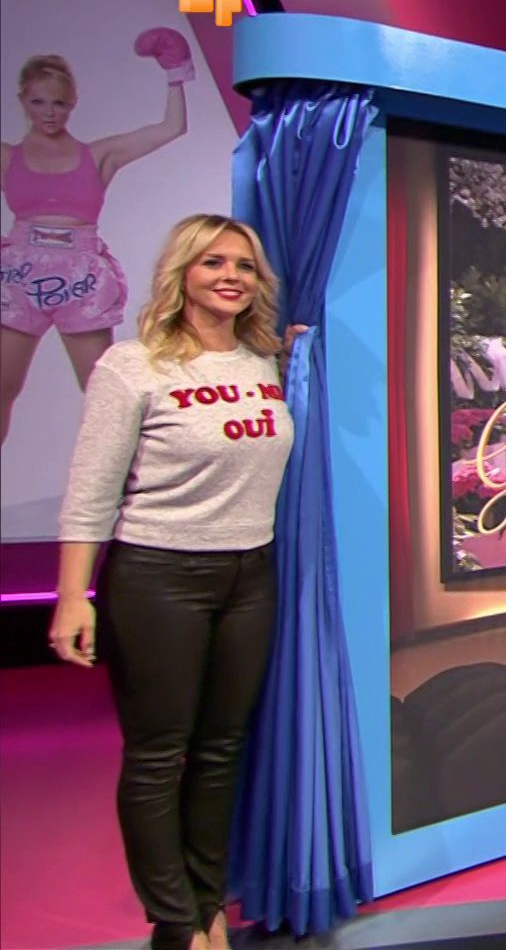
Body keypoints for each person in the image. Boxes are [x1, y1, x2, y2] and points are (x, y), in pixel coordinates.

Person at [47, 214, 293, 950]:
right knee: (158, 755)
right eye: (213, 262)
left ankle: (208, 903)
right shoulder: (133, 366)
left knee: (221, 750)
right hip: (158, 576)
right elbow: (91, 492)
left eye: (243, 265)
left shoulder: (264, 364)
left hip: (250, 574)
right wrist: (71, 597)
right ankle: (176, 923)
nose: (230, 276)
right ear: (181, 273)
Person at [3, 33, 194, 445]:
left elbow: (172, 127)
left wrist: (175, 74)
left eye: (58, 103)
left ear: (73, 103)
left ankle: (127, 480)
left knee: (105, 395)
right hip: (18, 276)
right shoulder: (7, 157)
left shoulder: (98, 155)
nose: (49, 113)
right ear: (23, 101)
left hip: (81, 277)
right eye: (38, 101)